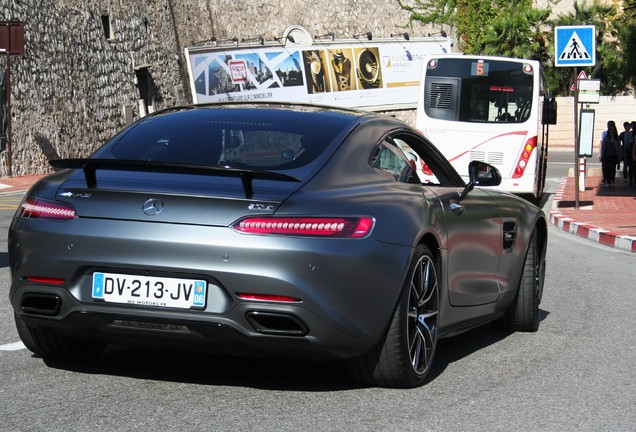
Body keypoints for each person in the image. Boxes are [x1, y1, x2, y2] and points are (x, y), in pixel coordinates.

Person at [600, 122, 621, 186]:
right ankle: (608, 181)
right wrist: (602, 155)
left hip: (614, 155)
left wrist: (619, 157)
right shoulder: (606, 138)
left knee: (613, 169)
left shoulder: (617, 139)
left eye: (613, 129)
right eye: (611, 129)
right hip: (607, 156)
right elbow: (603, 147)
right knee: (607, 169)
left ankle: (612, 180)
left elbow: (619, 148)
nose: (612, 131)